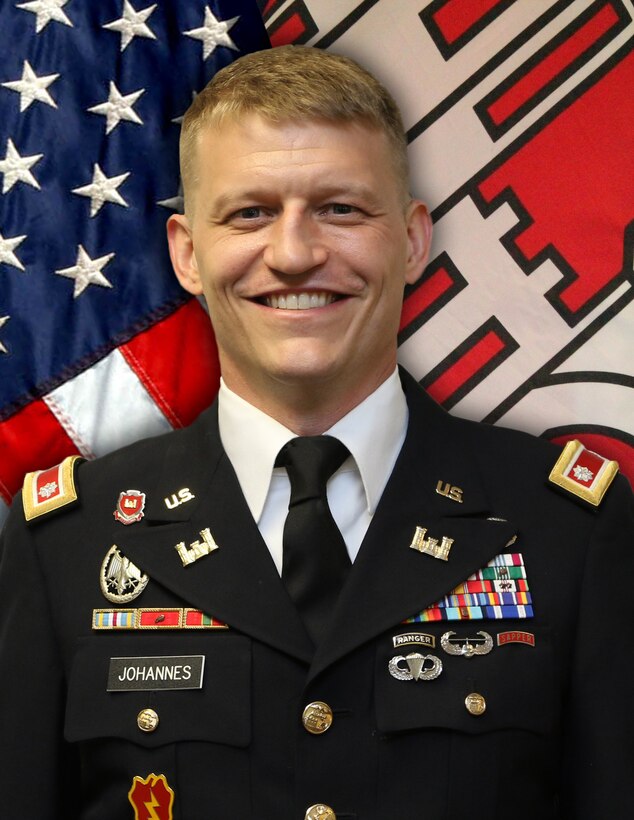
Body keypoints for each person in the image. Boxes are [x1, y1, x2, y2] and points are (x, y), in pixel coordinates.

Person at [0, 45, 632, 820]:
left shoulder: (565, 528)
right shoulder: (67, 541)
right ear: (188, 255)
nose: (295, 254)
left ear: (410, 242)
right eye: (250, 213)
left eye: (341, 209)